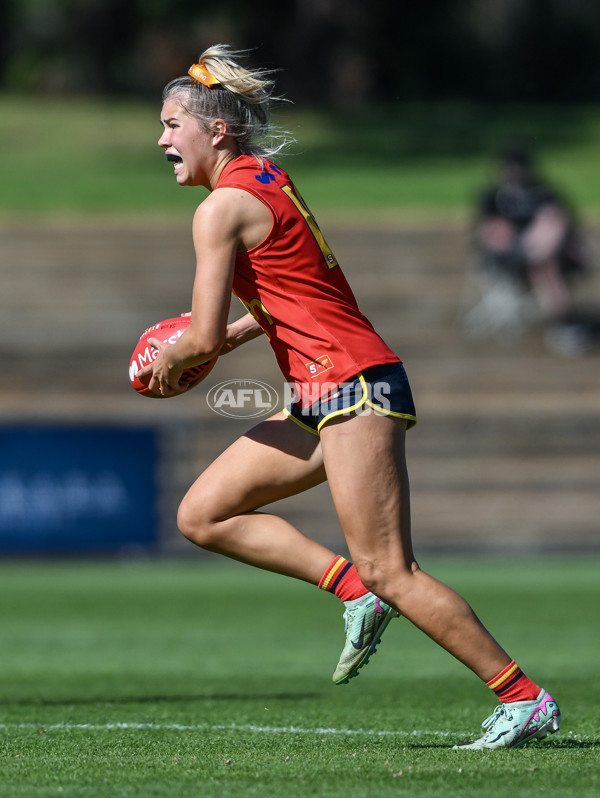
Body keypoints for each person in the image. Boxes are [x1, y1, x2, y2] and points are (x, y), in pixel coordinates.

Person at [139, 45, 561, 749]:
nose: (161, 139)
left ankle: (524, 700)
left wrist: (161, 358)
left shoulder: (220, 210)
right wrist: (232, 337)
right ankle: (350, 592)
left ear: (215, 130)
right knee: (204, 513)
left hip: (350, 386)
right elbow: (294, 293)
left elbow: (200, 337)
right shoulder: (268, 179)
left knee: (391, 568)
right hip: (323, 387)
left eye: (172, 123)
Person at [463, 147, 588, 343]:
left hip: (547, 256)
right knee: (538, 256)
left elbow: (567, 225)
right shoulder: (493, 197)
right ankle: (563, 324)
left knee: (550, 231)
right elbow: (484, 233)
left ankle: (562, 323)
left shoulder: (545, 194)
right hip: (507, 258)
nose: (515, 172)